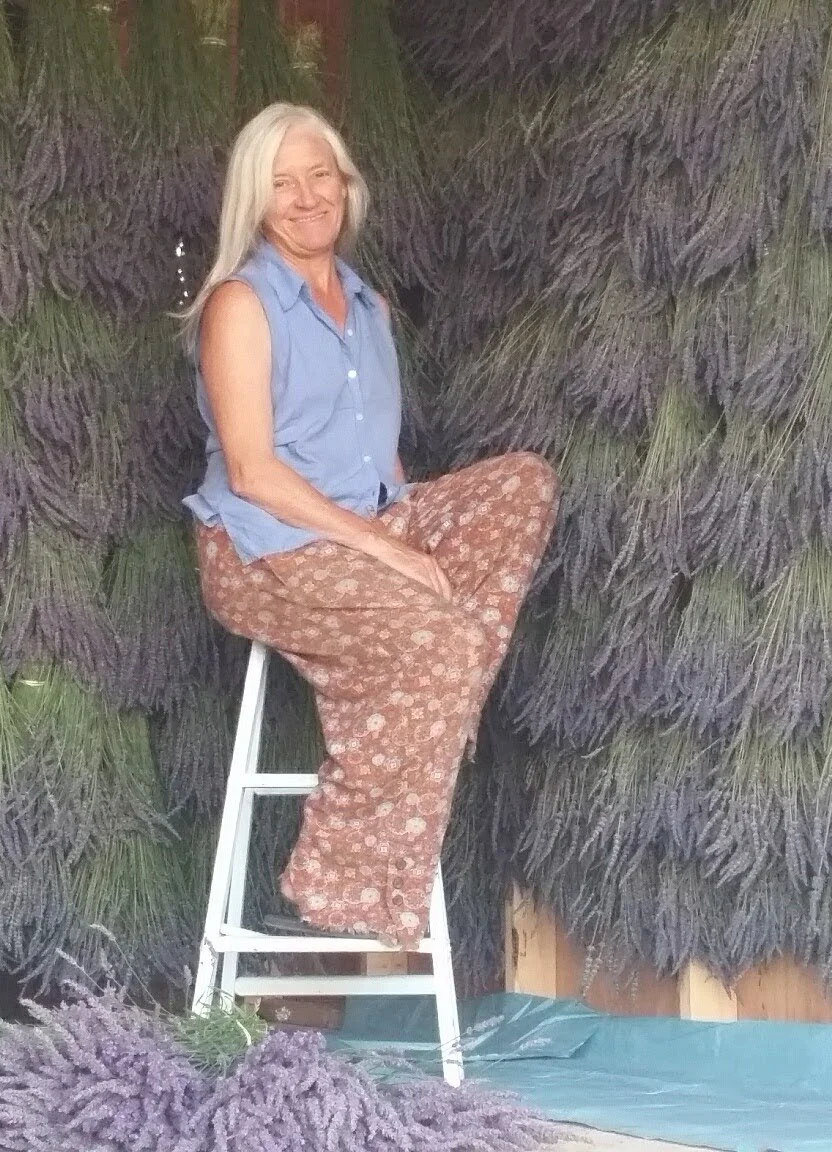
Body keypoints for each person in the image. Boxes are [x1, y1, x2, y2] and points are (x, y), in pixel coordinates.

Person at [180, 103, 556, 950]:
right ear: (255, 202)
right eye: (282, 184)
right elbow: (254, 472)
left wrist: (401, 535)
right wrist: (390, 550)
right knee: (444, 640)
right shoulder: (242, 304)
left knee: (523, 483)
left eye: (321, 176)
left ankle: (433, 692)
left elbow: (376, 464)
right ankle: (327, 892)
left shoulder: (369, 307)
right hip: (263, 547)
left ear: (347, 186)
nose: (307, 197)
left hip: (363, 525)